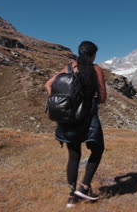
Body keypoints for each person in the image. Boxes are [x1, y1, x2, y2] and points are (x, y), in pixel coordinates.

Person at [44, 41, 107, 208]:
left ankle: (72, 197)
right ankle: (84, 187)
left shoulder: (69, 68)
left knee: (74, 156)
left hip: (68, 117)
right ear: (93, 55)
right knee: (98, 149)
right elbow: (102, 98)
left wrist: (63, 102)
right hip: (87, 116)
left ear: (79, 53)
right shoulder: (96, 69)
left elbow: (48, 84)